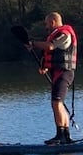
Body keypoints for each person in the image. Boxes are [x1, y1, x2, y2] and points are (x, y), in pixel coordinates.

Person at [28, 12, 78, 144]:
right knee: (58, 103)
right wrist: (45, 66)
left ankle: (60, 135)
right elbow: (53, 53)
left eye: (46, 23)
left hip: (64, 73)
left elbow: (50, 46)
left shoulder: (65, 33)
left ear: (53, 22)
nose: (46, 26)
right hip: (58, 73)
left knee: (56, 103)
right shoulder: (56, 34)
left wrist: (33, 43)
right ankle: (65, 136)